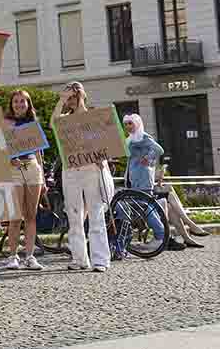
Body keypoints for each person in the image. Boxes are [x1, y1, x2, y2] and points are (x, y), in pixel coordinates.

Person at [51, 81, 112, 273]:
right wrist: (61, 100)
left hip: (91, 169)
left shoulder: (93, 117)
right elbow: (53, 123)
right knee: (73, 214)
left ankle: (100, 259)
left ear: (81, 96)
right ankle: (79, 258)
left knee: (96, 213)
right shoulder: (64, 120)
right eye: (67, 98)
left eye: (72, 97)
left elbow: (106, 143)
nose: (69, 101)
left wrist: (103, 157)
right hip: (71, 171)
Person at [1, 90, 46, 270]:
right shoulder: (6, 123)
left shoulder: (33, 124)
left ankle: (29, 256)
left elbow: (38, 152)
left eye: (22, 102)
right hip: (14, 170)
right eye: (16, 101)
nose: (19, 104)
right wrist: (9, 159)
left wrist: (42, 177)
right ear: (11, 104)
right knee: (15, 216)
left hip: (32, 168)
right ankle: (13, 256)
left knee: (31, 215)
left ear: (28, 104)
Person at [121, 114, 175, 251]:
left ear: (137, 124)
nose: (127, 126)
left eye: (130, 123)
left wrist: (147, 157)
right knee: (144, 206)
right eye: (126, 124)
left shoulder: (144, 137)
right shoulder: (131, 139)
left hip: (143, 178)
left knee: (145, 206)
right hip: (134, 177)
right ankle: (160, 235)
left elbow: (159, 150)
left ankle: (160, 236)